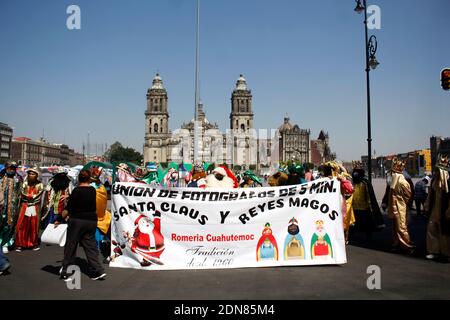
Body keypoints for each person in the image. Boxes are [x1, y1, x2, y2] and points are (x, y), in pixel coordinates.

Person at [60, 169, 106, 281]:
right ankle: (97, 270)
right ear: (89, 179)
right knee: (90, 246)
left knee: (71, 245)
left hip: (77, 220)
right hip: (91, 221)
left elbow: (69, 208)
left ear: (78, 178)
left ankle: (67, 271)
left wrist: (60, 217)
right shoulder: (92, 190)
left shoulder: (76, 190)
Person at [384, 158, 415, 254]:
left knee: (401, 226)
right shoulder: (393, 182)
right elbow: (389, 192)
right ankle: (397, 243)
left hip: (401, 207)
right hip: (394, 208)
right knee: (395, 227)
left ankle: (407, 245)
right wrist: (386, 202)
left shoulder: (403, 182)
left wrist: (406, 205)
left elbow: (409, 195)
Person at [349, 161, 384, 244]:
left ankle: (369, 238)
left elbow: (370, 196)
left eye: (357, 173)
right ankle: (349, 238)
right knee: (352, 225)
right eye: (355, 172)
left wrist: (371, 207)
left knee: (367, 225)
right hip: (354, 207)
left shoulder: (365, 182)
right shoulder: (352, 183)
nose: (355, 174)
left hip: (365, 208)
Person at [424, 154, 450, 261]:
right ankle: (434, 251)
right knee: (432, 228)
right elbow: (430, 195)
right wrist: (427, 207)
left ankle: (446, 252)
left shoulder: (448, 182)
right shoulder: (434, 180)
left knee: (445, 232)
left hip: (444, 210)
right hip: (435, 209)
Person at [15, 167, 45, 251]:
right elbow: (22, 193)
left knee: (34, 225)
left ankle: (33, 243)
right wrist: (28, 197)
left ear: (37, 175)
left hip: (35, 206)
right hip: (25, 206)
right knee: (22, 224)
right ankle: (20, 244)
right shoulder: (24, 183)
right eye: (30, 173)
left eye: (33, 174)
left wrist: (31, 198)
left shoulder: (40, 185)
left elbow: (39, 195)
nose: (31, 175)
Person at [0, 162, 22, 253]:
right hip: (2, 205)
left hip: (13, 207)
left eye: (13, 168)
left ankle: (6, 243)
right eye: (10, 168)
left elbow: (20, 193)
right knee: (1, 223)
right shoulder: (1, 179)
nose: (12, 170)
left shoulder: (18, 180)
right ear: (6, 168)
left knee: (10, 224)